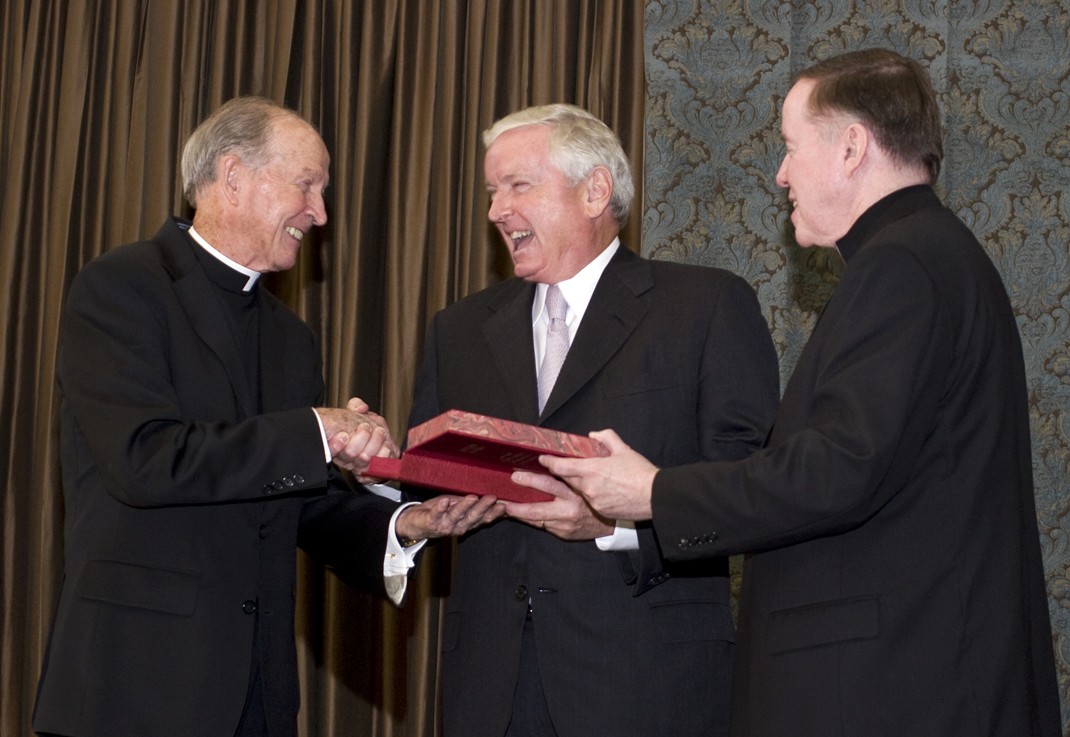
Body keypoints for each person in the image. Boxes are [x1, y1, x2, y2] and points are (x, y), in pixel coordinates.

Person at [526, 49, 1063, 736]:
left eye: (788, 147)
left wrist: (652, 492)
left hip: (891, 689)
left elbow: (835, 470)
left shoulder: (900, 264)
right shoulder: (937, 254)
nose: (780, 175)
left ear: (850, 147)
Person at [33, 96, 503, 737]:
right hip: (134, 688)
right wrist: (316, 431)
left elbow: (299, 504)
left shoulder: (290, 338)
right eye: (307, 185)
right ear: (233, 177)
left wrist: (405, 523)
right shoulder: (120, 288)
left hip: (258, 695)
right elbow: (145, 459)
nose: (320, 214)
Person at [407, 103, 780, 737]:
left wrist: (616, 524)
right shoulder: (460, 329)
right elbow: (424, 482)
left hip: (647, 684)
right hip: (493, 689)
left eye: (518, 185)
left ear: (595, 191)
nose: (496, 210)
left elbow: (749, 493)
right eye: (493, 191)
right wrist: (399, 486)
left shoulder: (706, 307)